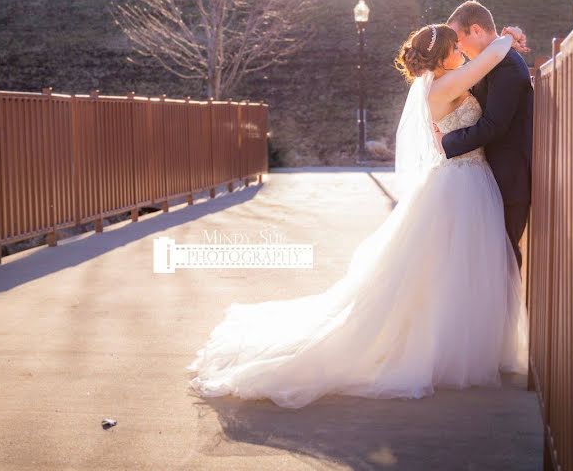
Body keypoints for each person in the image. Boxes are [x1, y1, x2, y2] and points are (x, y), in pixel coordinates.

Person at [185, 22, 530, 409]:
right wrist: (508, 38)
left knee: (451, 270)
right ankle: (442, 350)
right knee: (448, 269)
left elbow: (484, 67)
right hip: (461, 183)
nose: (461, 51)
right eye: (455, 47)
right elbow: (492, 57)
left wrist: (504, 42)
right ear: (442, 55)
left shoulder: (446, 81)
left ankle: (459, 343)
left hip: (467, 179)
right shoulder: (443, 86)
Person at [434, 0, 534, 270]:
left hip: (507, 179)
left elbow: (493, 125)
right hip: (487, 179)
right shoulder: (491, 62)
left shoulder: (507, 66)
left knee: (504, 261)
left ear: (476, 30)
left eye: (458, 40)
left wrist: (447, 142)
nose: (458, 47)